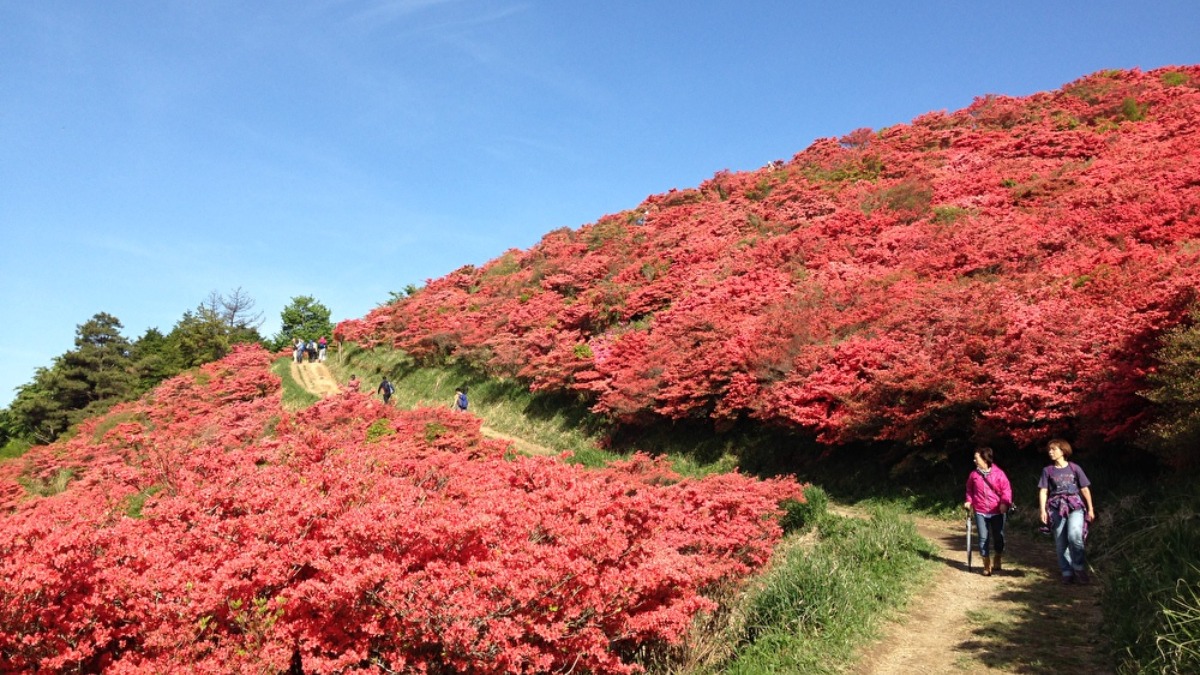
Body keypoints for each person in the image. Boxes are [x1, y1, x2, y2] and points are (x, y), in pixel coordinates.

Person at [1038, 438, 1096, 585]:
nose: (1050, 452)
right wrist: (1043, 510)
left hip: (1075, 506)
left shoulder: (1074, 468)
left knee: (1075, 535)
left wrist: (1090, 508)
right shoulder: (1047, 470)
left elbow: (1084, 488)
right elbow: (1044, 491)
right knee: (1060, 540)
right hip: (1056, 507)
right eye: (1049, 449)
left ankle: (1078, 568)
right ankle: (1066, 572)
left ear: (1063, 451)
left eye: (1054, 449)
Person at [964, 447, 1013, 576]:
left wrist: (1004, 503)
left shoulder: (999, 474)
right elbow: (969, 490)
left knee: (999, 537)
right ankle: (986, 564)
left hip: (997, 511)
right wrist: (969, 501)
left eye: (977, 458)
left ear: (985, 459)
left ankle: (997, 556)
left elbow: (1006, 490)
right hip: (980, 511)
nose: (974, 460)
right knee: (983, 538)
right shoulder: (973, 475)